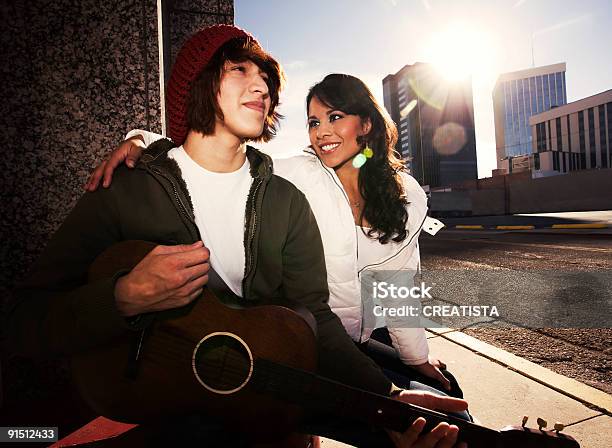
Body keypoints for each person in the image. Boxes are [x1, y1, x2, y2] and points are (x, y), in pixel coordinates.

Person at [5, 24, 468, 447]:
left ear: (365, 125)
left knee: (436, 428)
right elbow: (22, 320)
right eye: (238, 70)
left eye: (265, 76)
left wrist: (386, 394)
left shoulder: (287, 201)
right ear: (199, 85)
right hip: (160, 408)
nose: (262, 85)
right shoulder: (127, 189)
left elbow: (318, 319)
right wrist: (122, 297)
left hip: (277, 389)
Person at [88, 75, 465, 400]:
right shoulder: (298, 173)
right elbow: (219, 159)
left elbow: (398, 284)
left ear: (365, 125)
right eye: (314, 122)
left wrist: (417, 359)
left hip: (358, 340)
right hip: (302, 337)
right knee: (412, 415)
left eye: (336, 117)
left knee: (448, 390)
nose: (322, 132)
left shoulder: (404, 195)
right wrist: (146, 142)